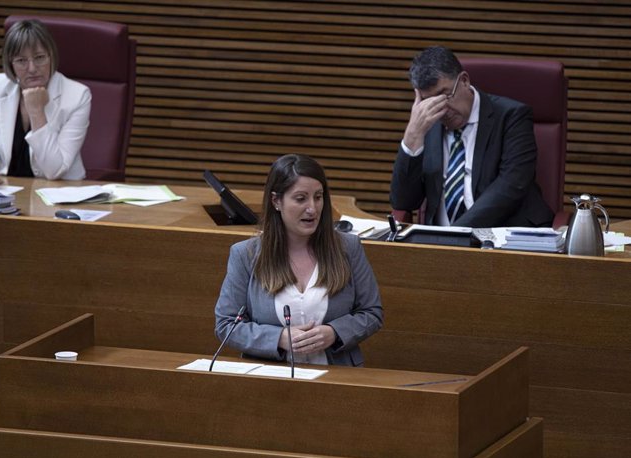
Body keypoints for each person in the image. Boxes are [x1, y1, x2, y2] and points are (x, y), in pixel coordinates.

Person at [215, 154, 383, 367]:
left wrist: (335, 333)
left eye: (318, 197)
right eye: (301, 198)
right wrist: (278, 339)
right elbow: (226, 325)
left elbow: (371, 313)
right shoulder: (245, 255)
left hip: (337, 377)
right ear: (276, 201)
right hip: (269, 378)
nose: (312, 208)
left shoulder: (348, 248)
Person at [390, 46, 553, 228]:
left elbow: (511, 186)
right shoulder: (428, 123)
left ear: (465, 81)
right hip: (441, 244)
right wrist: (412, 135)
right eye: (431, 102)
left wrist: (454, 235)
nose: (441, 110)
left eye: (445, 96)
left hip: (503, 236)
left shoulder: (512, 116)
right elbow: (403, 202)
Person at [0, 19, 91, 187]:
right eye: (22, 60)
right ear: (11, 63)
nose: (32, 68)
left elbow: (54, 171)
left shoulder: (77, 96)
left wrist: (37, 112)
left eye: (39, 58)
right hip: (5, 190)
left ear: (51, 56)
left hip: (59, 193)